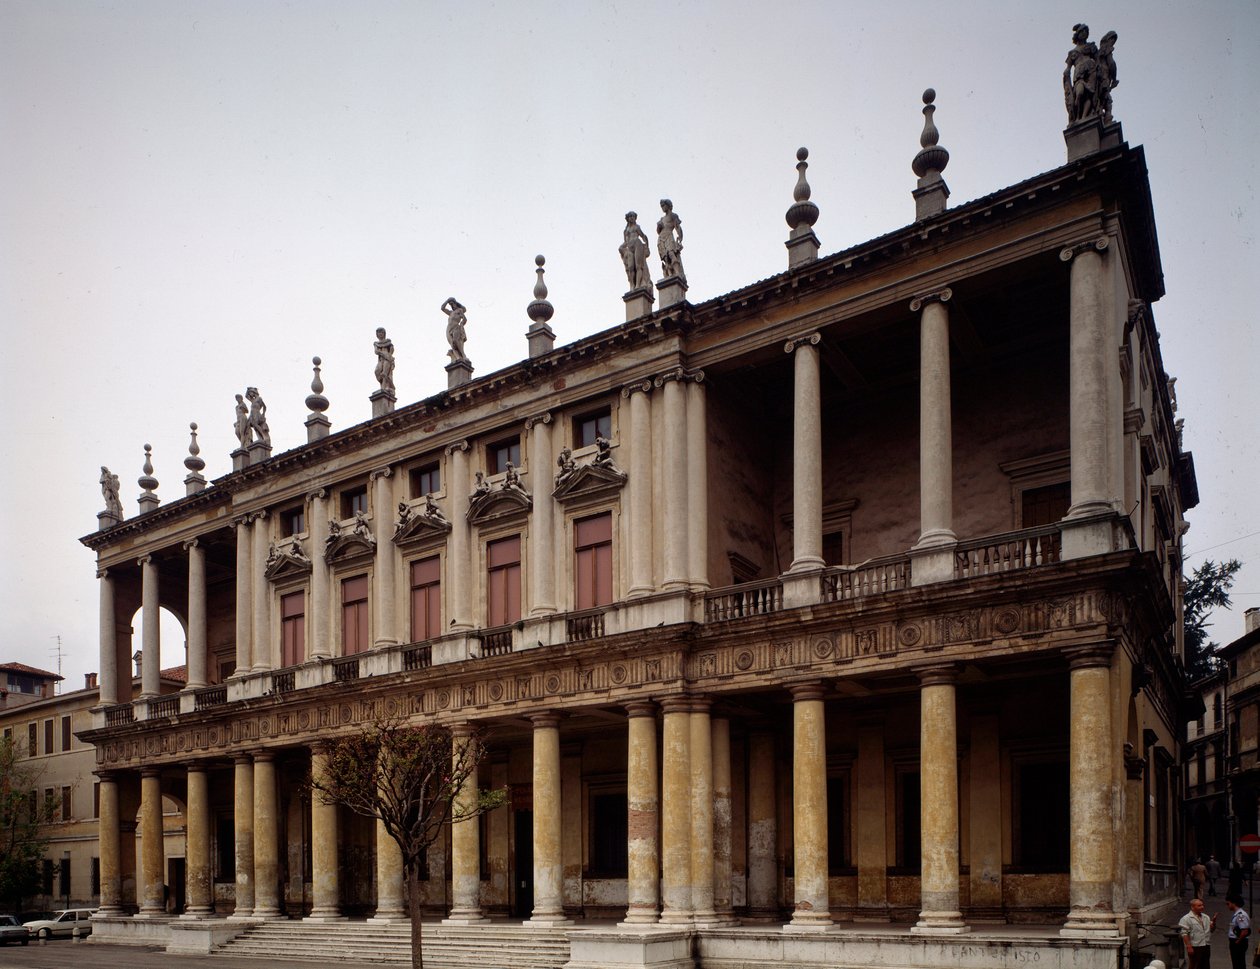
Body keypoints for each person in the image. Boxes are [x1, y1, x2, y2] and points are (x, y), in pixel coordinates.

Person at [1179, 897, 1216, 969]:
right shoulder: (1186, 918)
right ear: (1192, 907)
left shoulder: (1206, 917)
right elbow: (1184, 933)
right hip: (1195, 946)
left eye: (1202, 905)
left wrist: (1213, 924)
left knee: (1206, 965)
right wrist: (1189, 946)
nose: (1202, 907)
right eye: (1199, 905)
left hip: (1206, 945)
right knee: (1195, 965)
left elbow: (1211, 930)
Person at [619, 211, 653, 292]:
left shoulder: (637, 227)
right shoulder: (626, 230)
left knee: (638, 265)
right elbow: (625, 242)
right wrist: (621, 247)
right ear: (627, 218)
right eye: (630, 216)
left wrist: (647, 246)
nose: (632, 218)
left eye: (633, 216)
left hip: (637, 244)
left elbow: (643, 236)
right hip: (629, 247)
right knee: (631, 267)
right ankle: (632, 285)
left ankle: (638, 284)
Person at [656, 198, 685, 283]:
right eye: (661, 206)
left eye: (663, 205)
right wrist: (658, 226)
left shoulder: (673, 215)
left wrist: (680, 236)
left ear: (668, 205)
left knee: (671, 253)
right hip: (661, 238)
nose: (662, 208)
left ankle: (677, 272)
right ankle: (669, 274)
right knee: (665, 258)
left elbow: (677, 227)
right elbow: (658, 232)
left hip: (669, 236)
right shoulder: (662, 219)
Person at [1226, 894, 1251, 969]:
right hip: (1237, 941)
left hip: (1238, 942)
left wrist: (1237, 942)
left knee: (1239, 964)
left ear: (1234, 903)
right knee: (1237, 963)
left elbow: (1244, 931)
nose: (1227, 906)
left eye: (1228, 904)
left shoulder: (1240, 915)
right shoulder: (1237, 914)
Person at [442, 297, 469, 364]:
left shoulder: (459, 310)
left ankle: (463, 356)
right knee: (452, 344)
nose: (451, 305)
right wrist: (447, 301)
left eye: (452, 304)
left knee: (456, 341)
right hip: (449, 329)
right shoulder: (451, 313)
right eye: (450, 304)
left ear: (455, 303)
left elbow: (465, 319)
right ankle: (458, 358)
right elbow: (442, 308)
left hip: (456, 327)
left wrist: (461, 325)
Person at [374, 327, 395, 394]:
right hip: (381, 359)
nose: (380, 334)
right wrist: (383, 353)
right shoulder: (376, 343)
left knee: (385, 373)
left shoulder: (388, 341)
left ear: (384, 333)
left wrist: (388, 356)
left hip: (387, 358)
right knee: (377, 371)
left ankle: (385, 387)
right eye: (378, 333)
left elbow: (391, 350)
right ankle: (385, 385)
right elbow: (376, 351)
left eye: (381, 332)